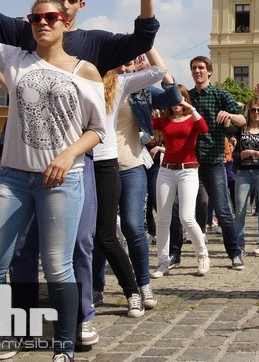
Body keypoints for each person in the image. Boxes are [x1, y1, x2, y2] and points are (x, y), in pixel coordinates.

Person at [0, 0, 160, 346]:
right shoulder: (22, 41)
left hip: (77, 165)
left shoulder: (93, 47)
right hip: (19, 168)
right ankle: (24, 320)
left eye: (68, 3)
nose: (55, 13)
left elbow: (141, 41)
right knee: (21, 248)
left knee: (79, 243)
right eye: (53, 3)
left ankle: (81, 315)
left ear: (78, 8)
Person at [0, 0, 105, 362]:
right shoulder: (14, 59)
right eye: (35, 17)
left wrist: (68, 155)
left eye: (51, 17)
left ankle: (63, 347)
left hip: (62, 180)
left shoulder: (85, 71)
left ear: (65, 23)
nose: (43, 22)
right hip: (12, 178)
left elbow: (97, 130)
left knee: (57, 266)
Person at [91, 48, 169, 317]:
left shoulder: (139, 89)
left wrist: (147, 47)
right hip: (100, 167)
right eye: (119, 63)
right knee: (100, 230)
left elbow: (172, 96)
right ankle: (96, 286)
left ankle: (143, 284)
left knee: (133, 226)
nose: (123, 68)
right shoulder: (96, 85)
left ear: (137, 65)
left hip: (132, 165)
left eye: (128, 63)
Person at [187, 55, 247, 269]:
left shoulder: (220, 94)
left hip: (213, 161)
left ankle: (235, 253)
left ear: (209, 71)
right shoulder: (187, 96)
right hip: (190, 162)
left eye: (201, 68)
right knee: (183, 210)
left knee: (222, 210)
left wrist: (229, 114)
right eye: (194, 68)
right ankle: (175, 254)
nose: (197, 71)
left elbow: (243, 120)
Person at [151, 84, 210, 276]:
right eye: (173, 98)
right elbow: (144, 123)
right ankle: (163, 261)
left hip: (188, 170)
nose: (176, 102)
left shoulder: (192, 119)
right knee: (163, 218)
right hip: (166, 171)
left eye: (180, 98)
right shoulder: (163, 120)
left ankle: (202, 255)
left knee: (186, 217)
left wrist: (191, 108)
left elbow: (204, 129)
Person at [232, 100, 259, 256]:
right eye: (253, 110)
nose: (256, 113)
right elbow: (227, 131)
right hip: (243, 173)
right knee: (240, 211)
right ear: (248, 112)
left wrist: (252, 153)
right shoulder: (240, 130)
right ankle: (240, 245)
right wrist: (233, 109)